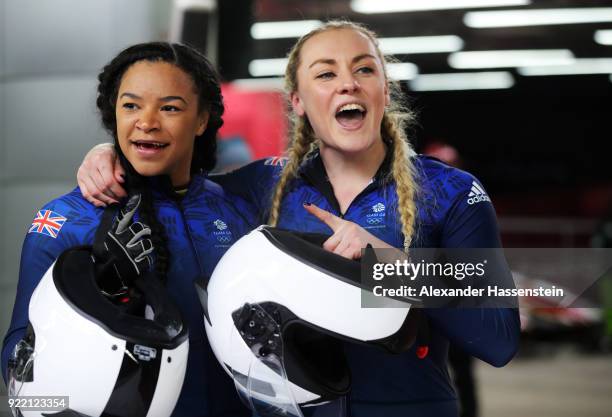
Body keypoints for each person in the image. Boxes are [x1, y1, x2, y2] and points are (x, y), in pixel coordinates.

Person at [75, 21, 520, 417]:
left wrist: (392, 269)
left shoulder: (450, 192)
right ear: (299, 101)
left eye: (364, 70)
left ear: (386, 89)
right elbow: (166, 174)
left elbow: (499, 340)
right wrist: (109, 153)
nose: (348, 84)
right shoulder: (258, 187)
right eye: (326, 74)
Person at [2, 42, 255, 417]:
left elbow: (378, 309)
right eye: (131, 105)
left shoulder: (262, 193)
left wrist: (375, 258)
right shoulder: (68, 221)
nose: (148, 121)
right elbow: (18, 380)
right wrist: (97, 307)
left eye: (169, 107)